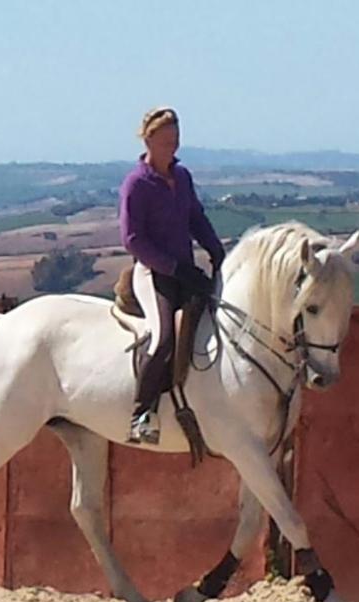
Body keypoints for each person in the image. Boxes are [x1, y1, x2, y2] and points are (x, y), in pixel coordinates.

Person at [119, 106, 226, 445]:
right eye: (166, 141)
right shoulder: (137, 183)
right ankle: (141, 414)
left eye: (176, 140)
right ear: (149, 140)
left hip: (184, 271)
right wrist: (174, 268)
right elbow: (132, 239)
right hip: (154, 273)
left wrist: (215, 249)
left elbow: (195, 217)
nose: (172, 147)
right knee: (164, 337)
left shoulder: (182, 178)